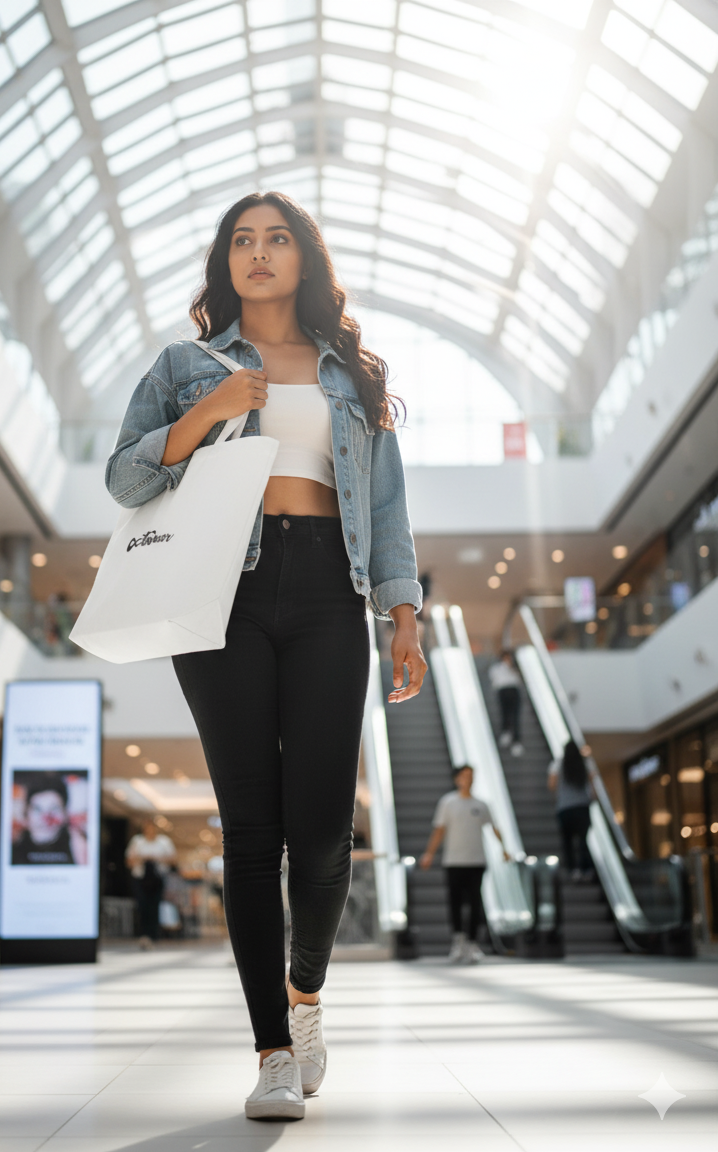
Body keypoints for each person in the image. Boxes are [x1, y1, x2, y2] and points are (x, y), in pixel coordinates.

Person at [106, 191, 426, 1120]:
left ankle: (307, 995)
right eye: (242, 241)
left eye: (277, 239)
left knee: (325, 832)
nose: (258, 254)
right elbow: (127, 475)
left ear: (304, 260)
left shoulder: (352, 375)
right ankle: (272, 1053)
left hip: (332, 590)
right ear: (225, 261)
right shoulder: (184, 366)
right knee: (251, 830)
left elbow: (391, 508)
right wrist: (209, 409)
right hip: (224, 594)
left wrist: (403, 613)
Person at [421, 765, 509, 964]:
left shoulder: (481, 804)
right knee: (456, 902)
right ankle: (458, 940)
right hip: (454, 861)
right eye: (464, 776)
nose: (468, 779)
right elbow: (439, 830)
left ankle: (472, 942)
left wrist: (504, 848)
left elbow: (493, 827)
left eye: (471, 775)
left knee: (475, 902)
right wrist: (429, 854)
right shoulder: (448, 802)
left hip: (476, 861)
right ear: (457, 778)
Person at [12, 773, 86, 865]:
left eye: (54, 809)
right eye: (37, 809)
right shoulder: (11, 852)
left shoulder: (80, 850)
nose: (46, 818)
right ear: (26, 814)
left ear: (65, 814)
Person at [126, 820, 177, 949]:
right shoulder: (137, 842)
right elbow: (129, 861)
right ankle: (143, 935)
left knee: (154, 906)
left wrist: (156, 858)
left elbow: (173, 860)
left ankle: (153, 935)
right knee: (142, 905)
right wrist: (143, 858)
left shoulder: (164, 842)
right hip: (141, 878)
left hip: (157, 878)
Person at [549, 739, 594, 881]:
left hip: (565, 808)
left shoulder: (558, 764)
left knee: (567, 841)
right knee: (582, 839)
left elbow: (551, 784)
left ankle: (572, 869)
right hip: (582, 806)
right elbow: (593, 786)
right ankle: (585, 868)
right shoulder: (585, 764)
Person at [488, 650, 523, 755]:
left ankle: (516, 740)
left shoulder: (515, 667)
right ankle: (506, 732)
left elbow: (519, 678)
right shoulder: (497, 668)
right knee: (505, 713)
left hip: (514, 691)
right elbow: (495, 679)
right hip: (503, 691)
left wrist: (512, 667)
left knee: (515, 715)